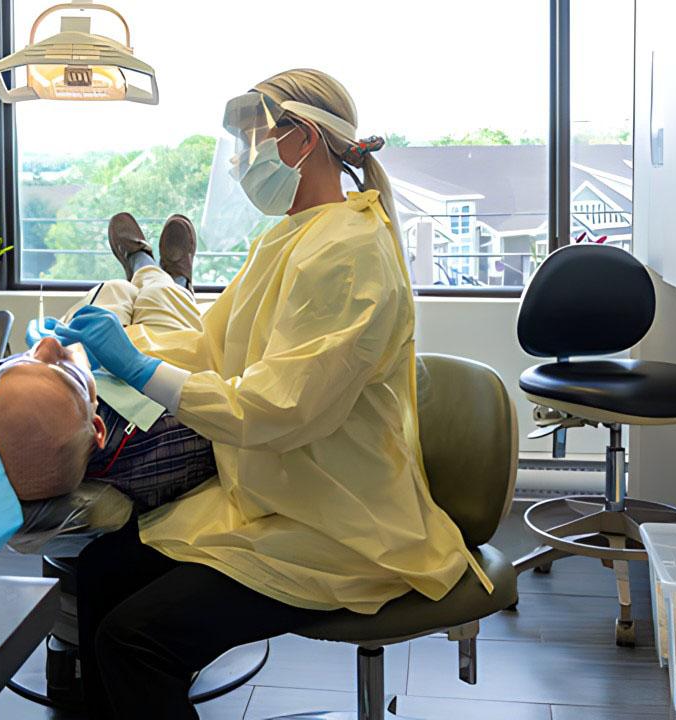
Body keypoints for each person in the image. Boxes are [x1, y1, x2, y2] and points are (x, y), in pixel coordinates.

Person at [48, 68, 495, 719]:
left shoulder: (350, 253)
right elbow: (210, 348)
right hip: (271, 496)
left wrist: (143, 374)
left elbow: (277, 408)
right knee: (100, 573)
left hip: (339, 526)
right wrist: (114, 355)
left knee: (135, 640)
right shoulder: (288, 238)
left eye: (248, 144)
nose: (237, 165)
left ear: (302, 139)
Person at [0, 214, 215, 521]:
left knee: (113, 289)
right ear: (97, 428)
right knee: (166, 301)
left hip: (88, 344)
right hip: (159, 357)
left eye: (26, 361)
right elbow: (212, 411)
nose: (49, 346)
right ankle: (171, 278)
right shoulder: (165, 443)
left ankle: (138, 267)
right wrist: (140, 367)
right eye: (61, 369)